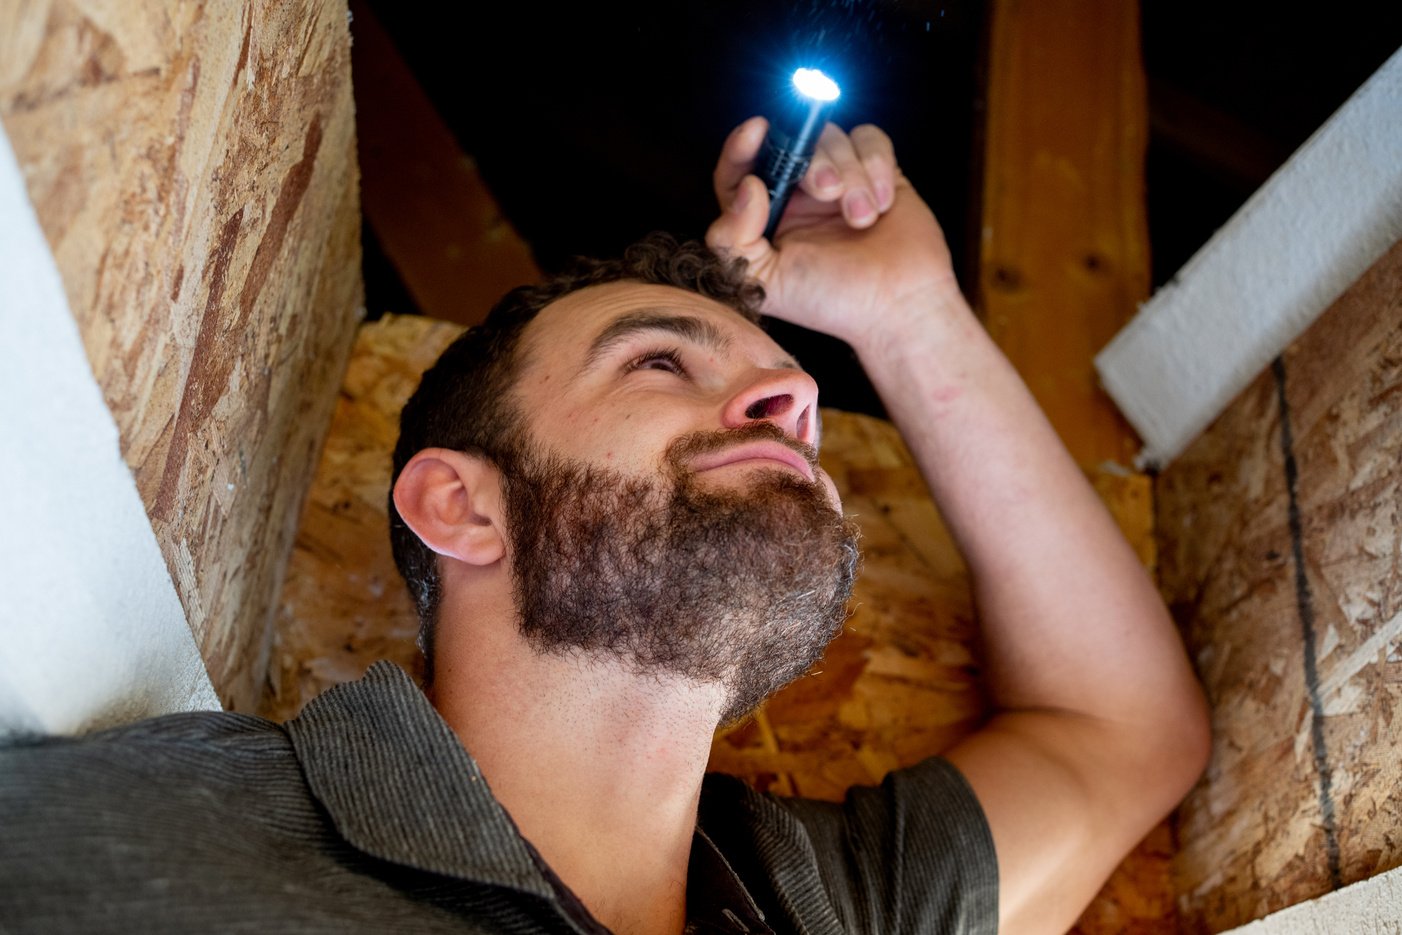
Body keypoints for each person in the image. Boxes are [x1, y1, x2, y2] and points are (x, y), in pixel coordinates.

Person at [0, 120, 1210, 935]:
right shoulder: (183, 844)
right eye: (657, 360)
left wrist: (910, 315)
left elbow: (1124, 730)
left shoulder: (820, 904)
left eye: (795, 392)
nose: (794, 399)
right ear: (459, 503)